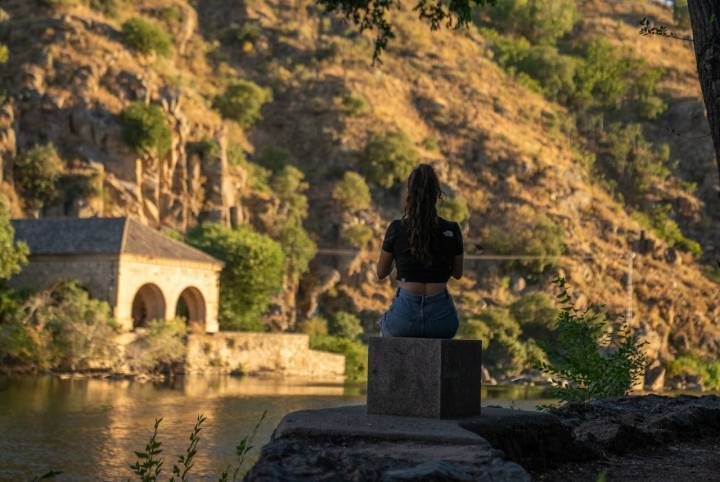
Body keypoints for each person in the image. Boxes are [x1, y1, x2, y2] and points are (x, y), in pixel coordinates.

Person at [376, 163, 464, 338]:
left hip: (404, 316)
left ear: (410, 194)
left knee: (384, 330)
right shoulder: (452, 229)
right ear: (437, 194)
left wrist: (401, 265)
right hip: (442, 319)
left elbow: (381, 273)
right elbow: (457, 273)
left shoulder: (397, 228)